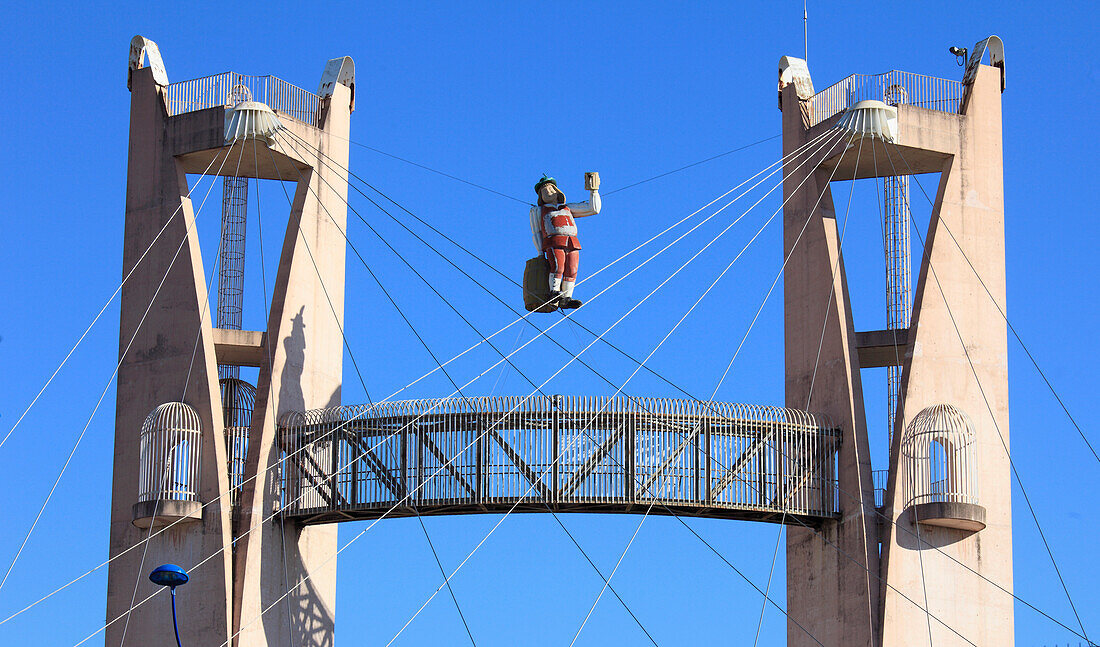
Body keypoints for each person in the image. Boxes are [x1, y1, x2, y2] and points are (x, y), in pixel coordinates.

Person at [528, 173, 600, 309]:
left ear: (558, 192)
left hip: (572, 241)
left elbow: (593, 209)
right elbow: (536, 231)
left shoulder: (567, 208)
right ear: (540, 196)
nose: (549, 192)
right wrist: (539, 252)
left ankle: (567, 297)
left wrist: (593, 191)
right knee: (558, 266)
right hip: (553, 241)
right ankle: (554, 292)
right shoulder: (538, 211)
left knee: (572, 269)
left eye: (551, 189)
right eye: (545, 191)